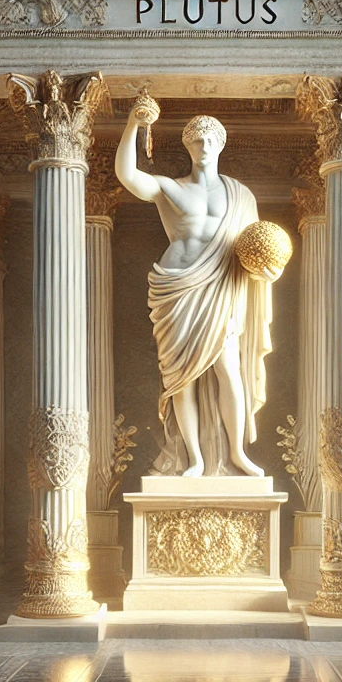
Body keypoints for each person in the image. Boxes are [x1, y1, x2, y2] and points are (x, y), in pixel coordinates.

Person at [114, 91, 273, 477]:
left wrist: (269, 270)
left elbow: (256, 250)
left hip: (222, 288)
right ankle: (196, 458)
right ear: (187, 145)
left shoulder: (240, 195)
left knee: (228, 370)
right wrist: (134, 125)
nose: (203, 146)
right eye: (196, 140)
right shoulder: (172, 187)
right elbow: (128, 176)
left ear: (221, 144)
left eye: (210, 140)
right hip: (176, 288)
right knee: (180, 377)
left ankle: (236, 453)